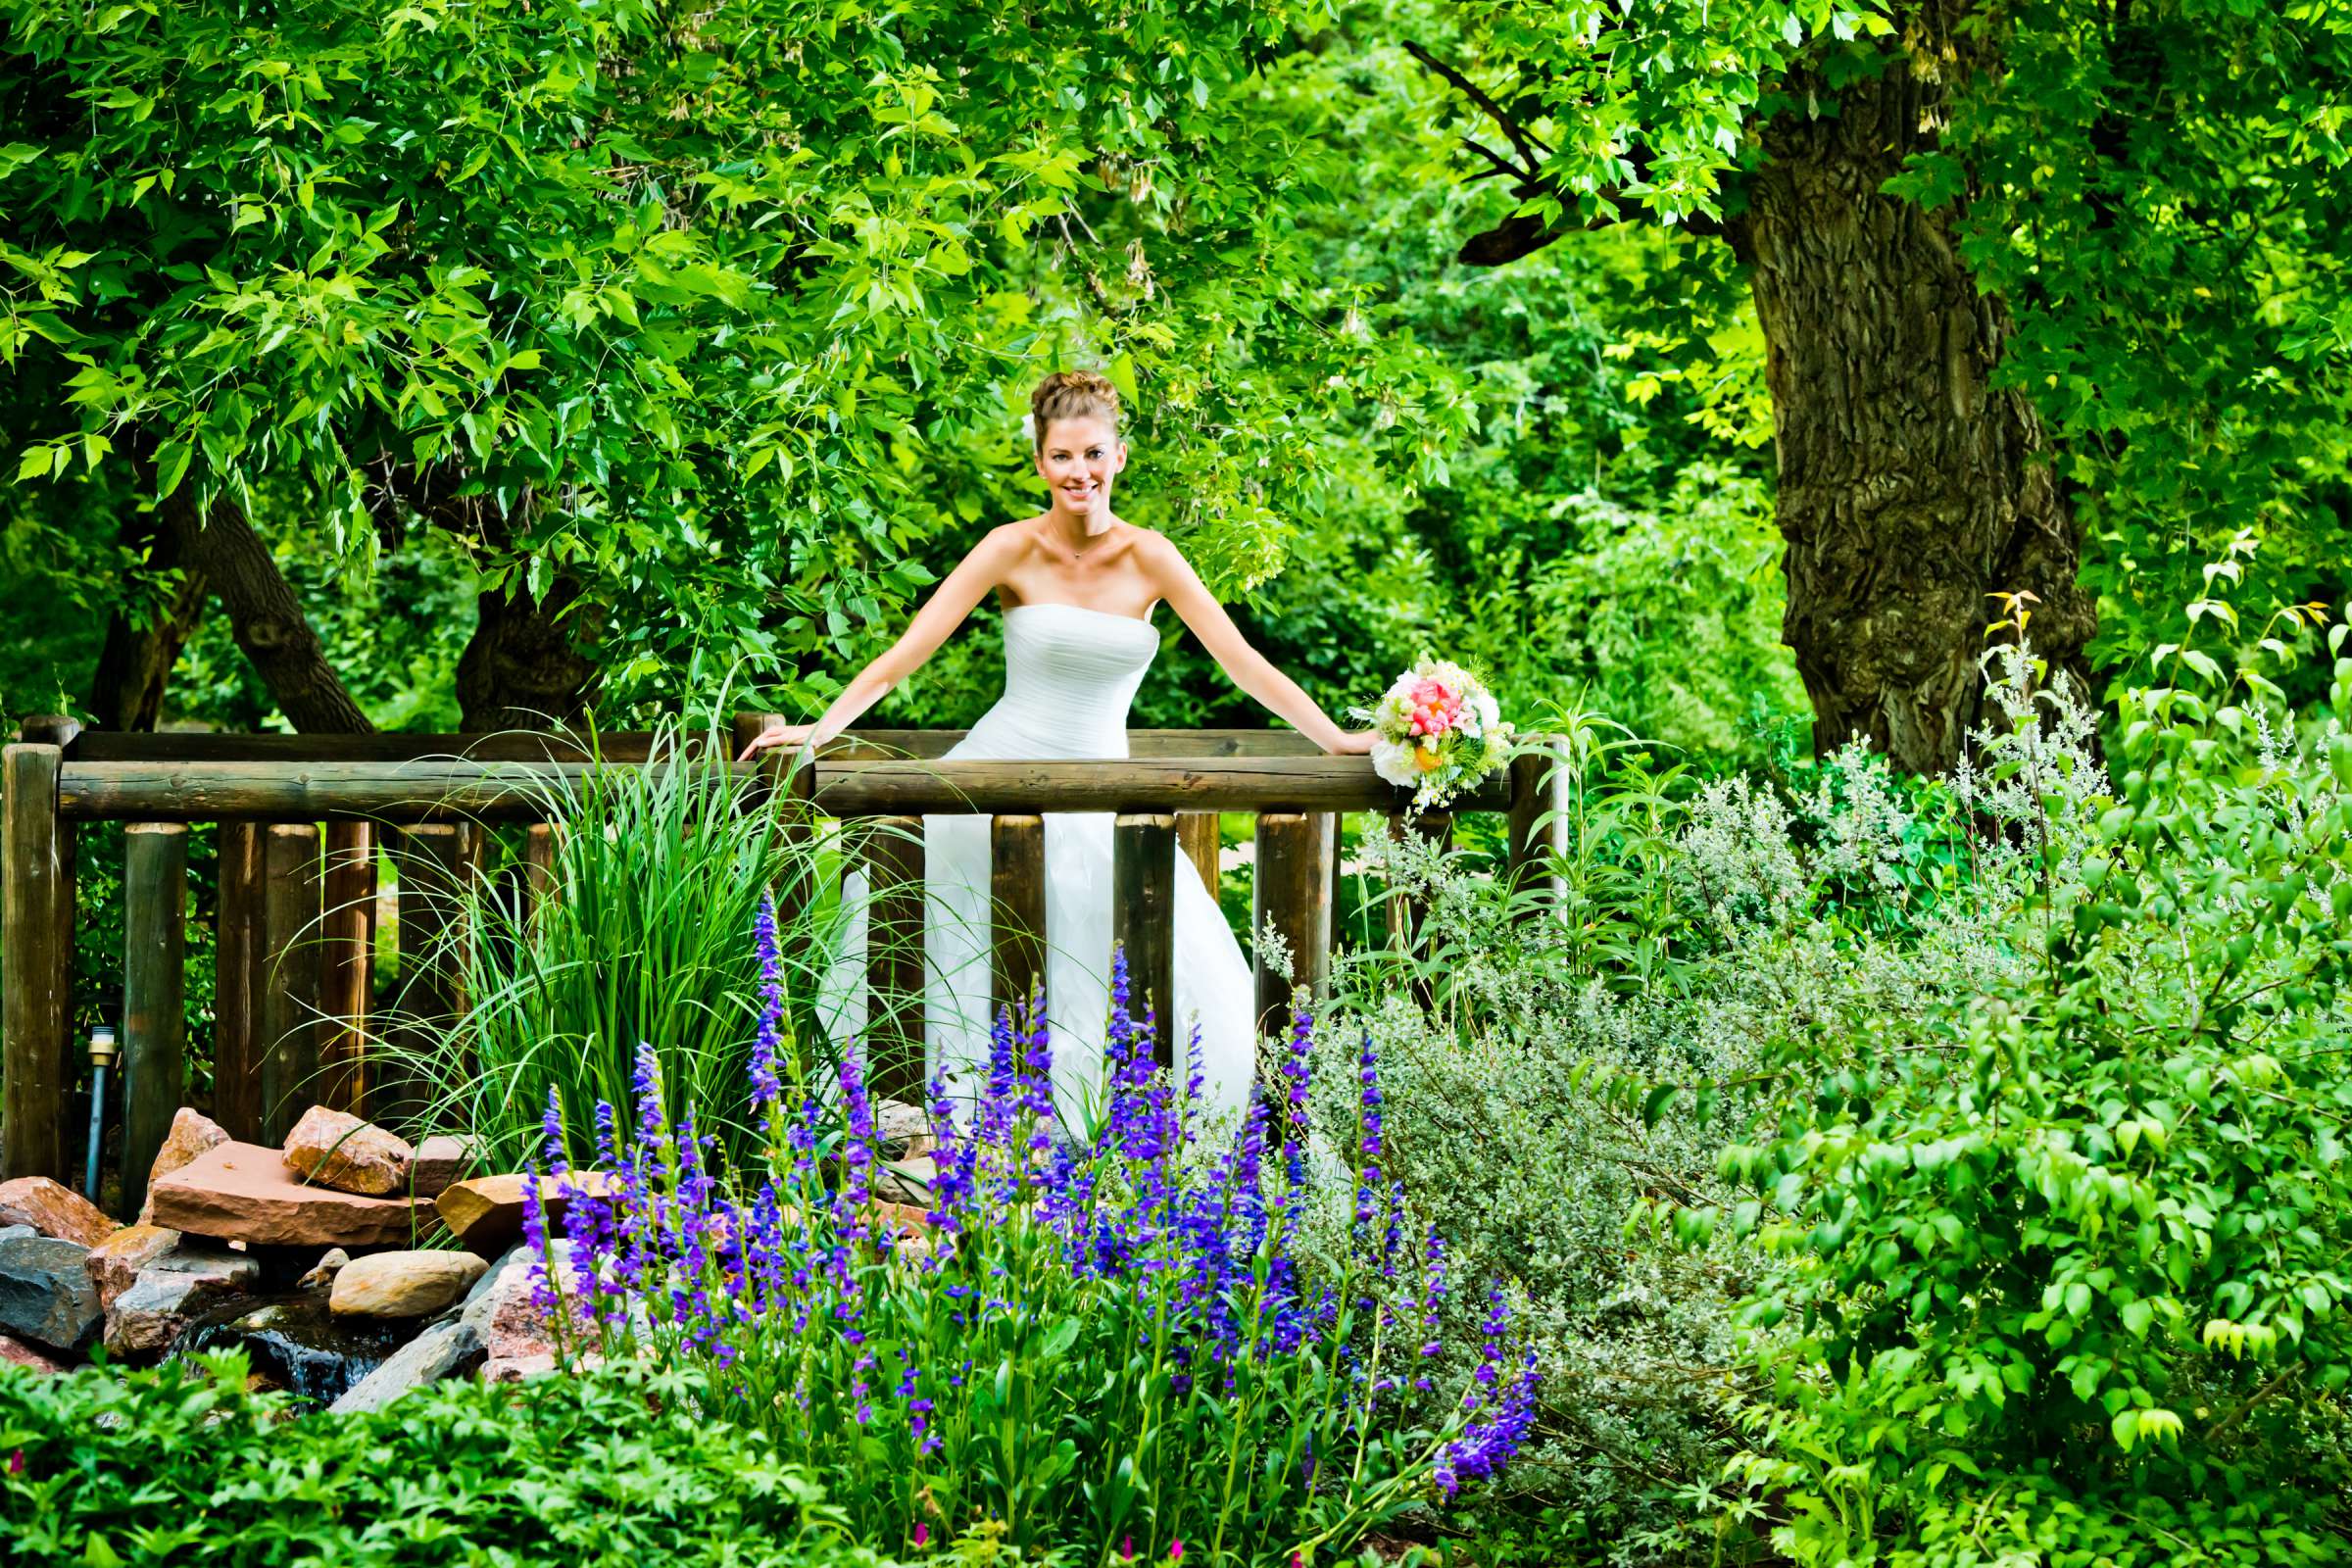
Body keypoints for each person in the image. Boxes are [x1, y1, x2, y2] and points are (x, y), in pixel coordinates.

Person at [739, 368, 1373, 1127]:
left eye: (1094, 454)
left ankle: (1106, 1144)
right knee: (949, 960)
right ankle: (945, 1134)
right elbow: (904, 656)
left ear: (1120, 457)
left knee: (1131, 966)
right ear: (1040, 463)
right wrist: (819, 730)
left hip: (1103, 789)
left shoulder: (1152, 557)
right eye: (1063, 457)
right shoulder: (1010, 548)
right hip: (990, 780)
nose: (1081, 472)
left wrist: (1335, 738)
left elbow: (1244, 665)